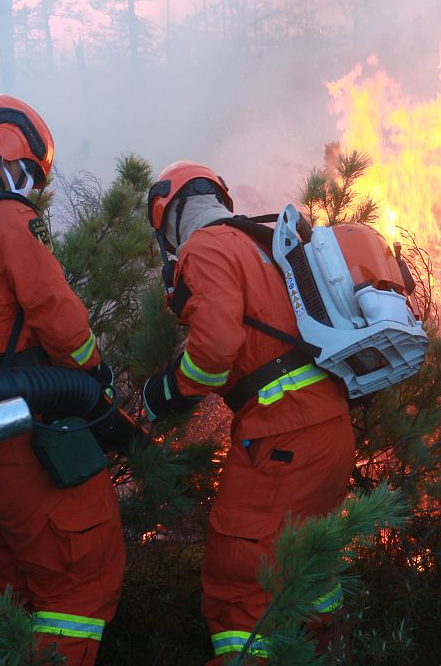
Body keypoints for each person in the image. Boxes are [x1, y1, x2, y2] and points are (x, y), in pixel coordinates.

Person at [0, 95, 125, 664]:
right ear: (9, 155)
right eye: (30, 174)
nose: (29, 188)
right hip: (17, 437)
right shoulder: (1, 219)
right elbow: (57, 312)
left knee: (16, 596)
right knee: (80, 584)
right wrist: (91, 376)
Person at [142, 161, 355, 665]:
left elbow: (215, 347)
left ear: (168, 219)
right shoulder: (268, 243)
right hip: (330, 431)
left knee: (238, 580)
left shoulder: (206, 247)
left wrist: (168, 391)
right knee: (310, 564)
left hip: (283, 435)